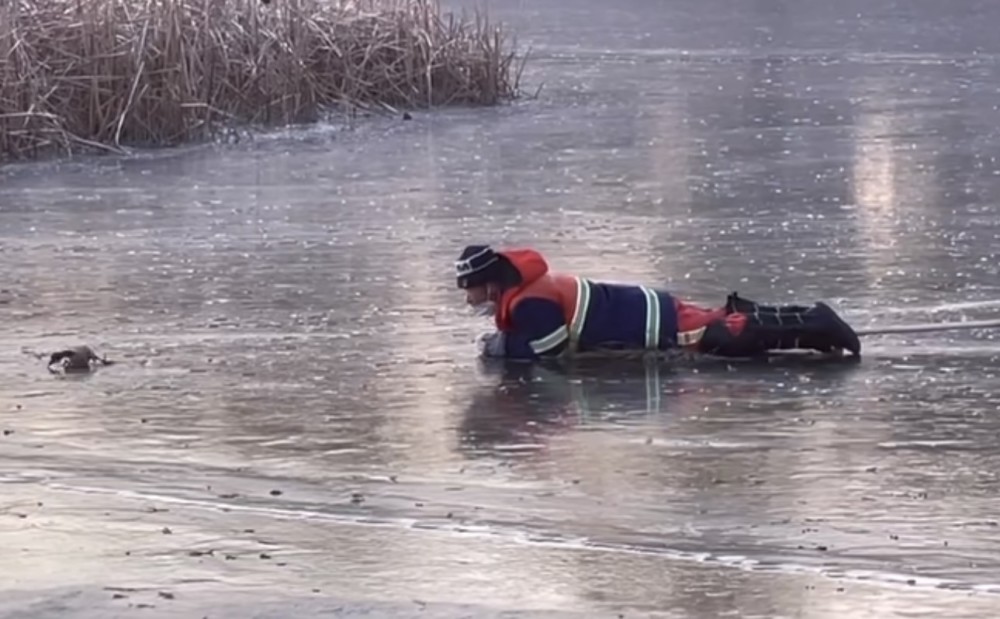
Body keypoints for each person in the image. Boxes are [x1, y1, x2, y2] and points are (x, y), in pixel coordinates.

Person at [455, 244, 861, 362]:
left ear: (488, 285)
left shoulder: (530, 303)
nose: (467, 297)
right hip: (646, 310)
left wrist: (502, 348)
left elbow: (551, 351)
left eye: (468, 288)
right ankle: (811, 327)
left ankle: (817, 323)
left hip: (648, 322)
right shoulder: (527, 290)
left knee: (727, 335)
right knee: (720, 322)